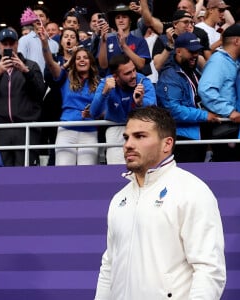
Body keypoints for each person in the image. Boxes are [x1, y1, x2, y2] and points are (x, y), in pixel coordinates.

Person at [95, 105, 226, 300]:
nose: (128, 144)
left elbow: (209, 269)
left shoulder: (192, 191)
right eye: (126, 137)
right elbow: (109, 266)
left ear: (167, 144)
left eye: (140, 136)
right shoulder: (119, 199)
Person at [0, 28, 46, 167]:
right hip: (2, 128)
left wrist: (25, 71)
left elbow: (40, 93)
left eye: (11, 43)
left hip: (26, 127)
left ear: (17, 44)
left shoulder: (31, 65)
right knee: (2, 174)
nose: (8, 47)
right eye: (5, 44)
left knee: (27, 173)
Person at [39, 25, 100, 166]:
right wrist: (44, 44)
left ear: (90, 62)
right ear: (74, 62)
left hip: (89, 132)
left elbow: (104, 108)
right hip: (67, 130)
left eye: (85, 57)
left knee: (87, 175)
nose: (82, 60)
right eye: (78, 58)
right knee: (63, 174)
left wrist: (93, 112)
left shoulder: (99, 82)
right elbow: (50, 62)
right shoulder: (65, 78)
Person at [156, 32, 219, 162]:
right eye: (191, 51)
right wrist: (204, 115)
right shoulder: (169, 75)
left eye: (197, 51)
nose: (195, 55)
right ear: (178, 51)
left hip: (197, 135)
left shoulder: (193, 71)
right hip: (181, 138)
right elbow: (172, 110)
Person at [90, 54, 156, 164]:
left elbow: (153, 108)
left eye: (134, 70)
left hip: (140, 127)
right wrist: (104, 93)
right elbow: (93, 113)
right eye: (127, 73)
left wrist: (140, 103)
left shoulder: (143, 81)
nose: (134, 75)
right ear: (115, 76)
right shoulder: (106, 83)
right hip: (116, 127)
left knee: (143, 169)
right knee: (115, 171)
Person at [198, 23, 240, 162]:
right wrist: (229, 111)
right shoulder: (218, 61)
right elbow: (206, 90)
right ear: (237, 41)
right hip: (225, 127)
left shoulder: (234, 62)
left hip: (233, 127)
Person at [98, 4, 151, 76]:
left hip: (134, 82)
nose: (121, 20)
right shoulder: (107, 40)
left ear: (130, 20)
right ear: (114, 21)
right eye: (117, 17)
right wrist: (103, 42)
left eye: (124, 17)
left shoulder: (140, 41)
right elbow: (103, 66)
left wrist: (124, 46)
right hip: (113, 82)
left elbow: (140, 65)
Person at [18, 4, 59, 75]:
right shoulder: (24, 40)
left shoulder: (54, 44)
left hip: (50, 83)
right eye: (35, 16)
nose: (38, 18)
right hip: (31, 82)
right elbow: (20, 63)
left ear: (47, 20)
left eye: (41, 16)